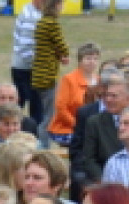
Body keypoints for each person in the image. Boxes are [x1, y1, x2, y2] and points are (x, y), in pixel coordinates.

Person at [29, 0, 68, 143]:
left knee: (45, 111)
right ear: (56, 6)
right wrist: (64, 54)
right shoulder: (52, 24)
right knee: (50, 115)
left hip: (38, 75)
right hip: (48, 76)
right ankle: (43, 144)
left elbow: (48, 45)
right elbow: (60, 43)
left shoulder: (41, 23)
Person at [48, 42, 99, 147]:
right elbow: (61, 108)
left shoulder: (99, 80)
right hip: (66, 129)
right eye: (88, 58)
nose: (92, 62)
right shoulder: (69, 79)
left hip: (92, 129)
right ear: (80, 60)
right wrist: (78, 124)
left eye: (95, 59)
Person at [11, 0, 44, 121]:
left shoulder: (31, 11)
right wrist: (38, 66)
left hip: (23, 66)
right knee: (35, 108)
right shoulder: (31, 16)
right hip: (27, 68)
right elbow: (25, 46)